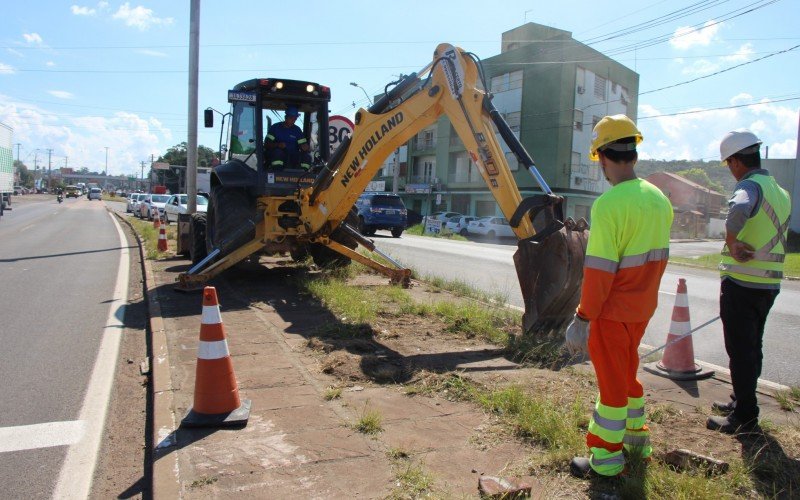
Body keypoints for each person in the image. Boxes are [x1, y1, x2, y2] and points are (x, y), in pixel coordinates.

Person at [565, 114, 673, 479]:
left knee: (611, 389)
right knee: (628, 377)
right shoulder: (659, 199)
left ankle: (606, 463)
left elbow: (599, 272)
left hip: (611, 313)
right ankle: (636, 441)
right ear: (634, 154)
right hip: (642, 310)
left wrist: (582, 317)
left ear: (602, 158)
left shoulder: (609, 205)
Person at [707, 130, 791, 435]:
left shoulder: (748, 187)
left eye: (729, 163)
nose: (730, 170)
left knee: (740, 349)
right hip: (768, 285)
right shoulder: (780, 192)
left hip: (742, 283)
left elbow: (739, 210)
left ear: (736, 161)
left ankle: (745, 416)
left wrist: (732, 241)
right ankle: (742, 399)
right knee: (752, 347)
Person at [264, 105, 311, 170]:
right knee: (278, 153)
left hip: (293, 158)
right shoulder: (275, 128)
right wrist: (278, 145)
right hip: (279, 156)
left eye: (295, 119)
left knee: (307, 157)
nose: (293, 120)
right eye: (291, 118)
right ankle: (278, 173)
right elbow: (266, 144)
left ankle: (304, 175)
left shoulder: (297, 130)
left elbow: (303, 144)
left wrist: (305, 147)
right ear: (286, 117)